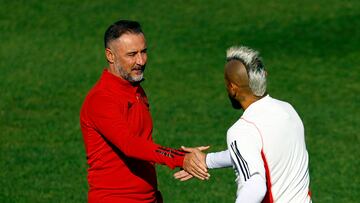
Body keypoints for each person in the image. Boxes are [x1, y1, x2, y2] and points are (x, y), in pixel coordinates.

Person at [80, 20, 209, 203]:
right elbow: (130, 144)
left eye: (144, 52)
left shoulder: (136, 90)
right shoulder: (101, 99)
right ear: (110, 55)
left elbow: (144, 144)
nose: (140, 61)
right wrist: (180, 158)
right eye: (132, 54)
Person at [175, 46, 312, 202]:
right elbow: (253, 151)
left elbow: (255, 188)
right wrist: (206, 160)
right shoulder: (288, 110)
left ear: (233, 89)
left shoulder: (242, 130)